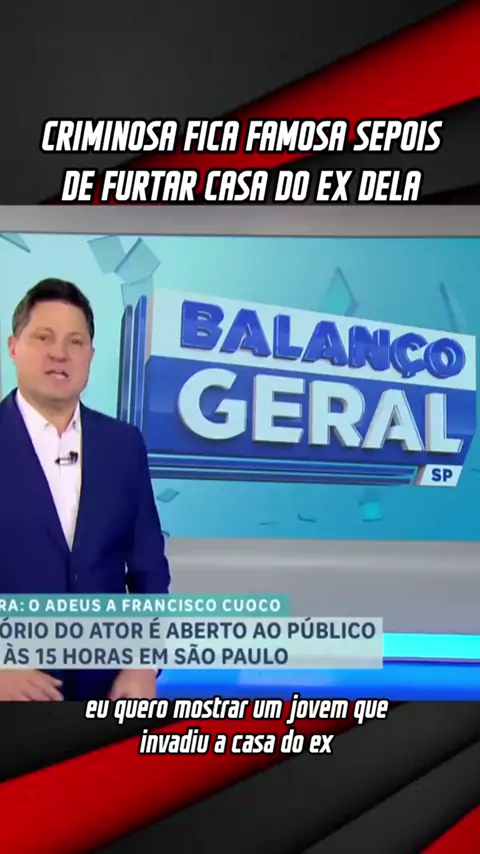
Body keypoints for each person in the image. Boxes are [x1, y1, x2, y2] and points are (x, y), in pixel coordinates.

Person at [0, 278, 170, 701]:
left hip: (109, 695)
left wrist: (143, 664)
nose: (60, 353)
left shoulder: (123, 445)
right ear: (14, 347)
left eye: (75, 341)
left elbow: (149, 570)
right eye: (44, 337)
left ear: (91, 355)